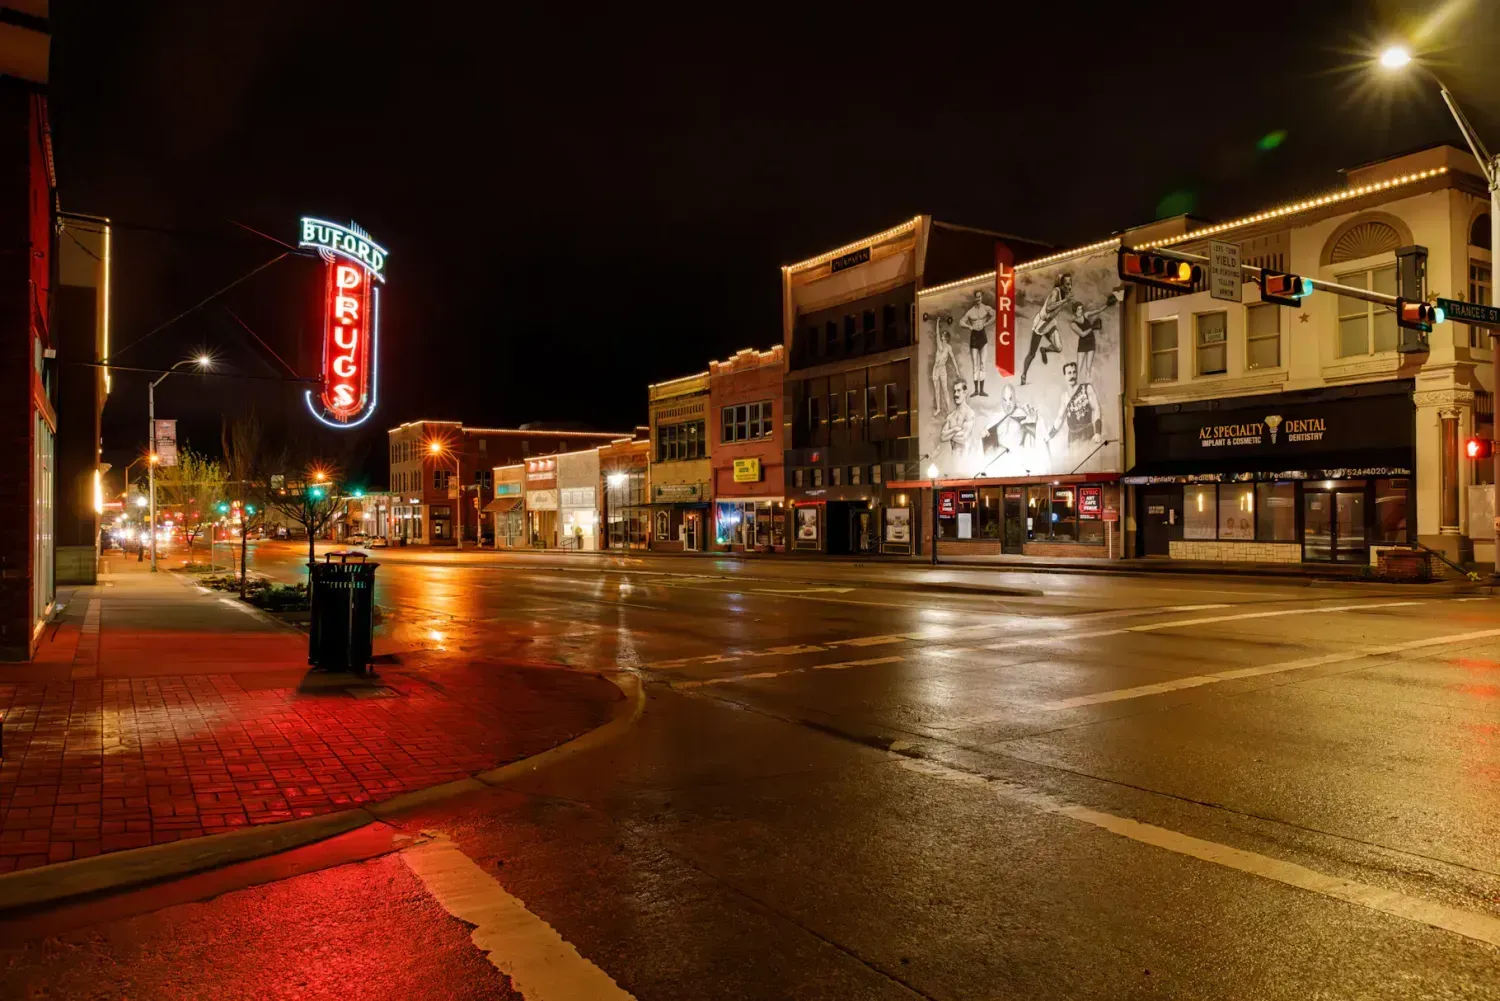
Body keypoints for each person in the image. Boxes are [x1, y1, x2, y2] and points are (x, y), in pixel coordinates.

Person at [1021, 273, 1073, 385]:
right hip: (1041, 323)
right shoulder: (1056, 292)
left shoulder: (1064, 293)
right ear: (1062, 285)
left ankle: (1044, 349)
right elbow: (1049, 308)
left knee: (1058, 347)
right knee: (1032, 354)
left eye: (1070, 284)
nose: (1069, 287)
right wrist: (1065, 301)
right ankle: (1024, 374)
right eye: (1067, 284)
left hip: (1050, 323)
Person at [1047, 361, 1103, 448]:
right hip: (1072, 437)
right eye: (1069, 373)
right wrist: (1050, 435)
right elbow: (1060, 418)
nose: (1072, 376)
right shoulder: (1064, 397)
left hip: (1087, 433)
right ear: (1065, 375)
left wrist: (1098, 432)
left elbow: (1096, 409)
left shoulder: (1087, 388)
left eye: (1074, 372)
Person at [1067, 291, 1116, 385]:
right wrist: (1092, 327)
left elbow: (1098, 311)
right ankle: (1075, 386)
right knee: (1079, 368)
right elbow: (1082, 334)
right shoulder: (1073, 323)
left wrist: (1107, 305)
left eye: (1081, 309)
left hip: (1091, 342)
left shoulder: (1086, 315)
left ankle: (1087, 385)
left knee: (1088, 367)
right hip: (1083, 344)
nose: (1080, 311)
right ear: (1075, 310)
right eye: (1078, 309)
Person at [958, 290, 997, 397]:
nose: (978, 298)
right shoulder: (970, 312)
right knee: (975, 364)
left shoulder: (986, 308)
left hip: (982, 336)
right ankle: (976, 390)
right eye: (976, 297)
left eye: (980, 296)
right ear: (974, 298)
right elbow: (961, 322)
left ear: (982, 297)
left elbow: (995, 315)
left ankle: (982, 390)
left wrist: (986, 324)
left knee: (983, 364)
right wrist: (969, 326)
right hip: (974, 337)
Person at [939, 380, 977, 466]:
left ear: (965, 393)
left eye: (959, 391)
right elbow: (942, 437)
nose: (955, 394)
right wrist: (955, 429)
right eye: (954, 391)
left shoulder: (969, 413)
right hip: (953, 460)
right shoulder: (951, 415)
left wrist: (949, 434)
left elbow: (964, 437)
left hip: (966, 460)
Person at [928, 316, 958, 417]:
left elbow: (953, 358)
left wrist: (957, 370)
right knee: (937, 390)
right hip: (936, 368)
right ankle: (938, 409)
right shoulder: (939, 344)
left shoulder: (948, 347)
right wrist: (937, 321)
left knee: (945, 389)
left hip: (942, 369)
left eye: (943, 335)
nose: (942, 335)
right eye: (942, 334)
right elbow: (937, 333)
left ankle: (949, 409)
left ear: (946, 338)